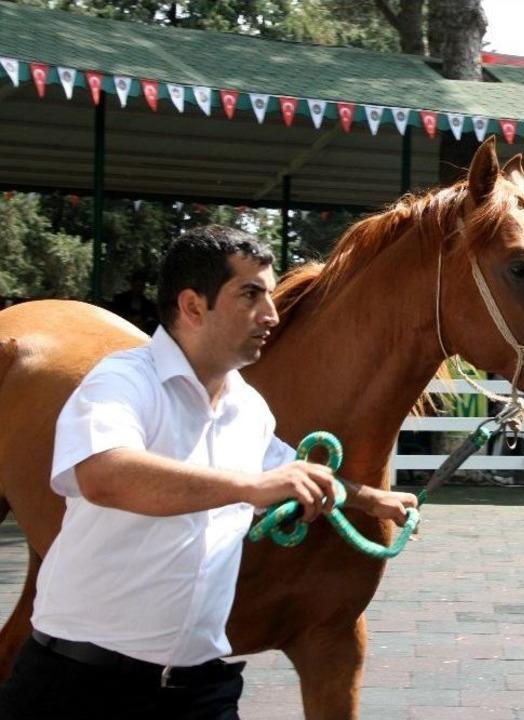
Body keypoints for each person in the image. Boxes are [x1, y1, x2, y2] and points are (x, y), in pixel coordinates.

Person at [0, 225, 418, 720]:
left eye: (269, 294)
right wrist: (251, 487)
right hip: (80, 687)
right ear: (194, 306)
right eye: (250, 295)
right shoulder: (121, 382)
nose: (272, 314)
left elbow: (290, 469)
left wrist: (370, 498)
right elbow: (104, 474)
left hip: (198, 689)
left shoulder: (249, 407)